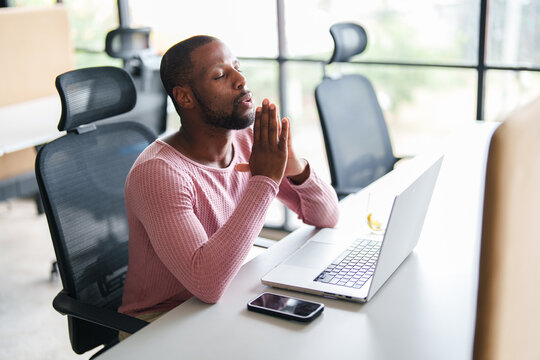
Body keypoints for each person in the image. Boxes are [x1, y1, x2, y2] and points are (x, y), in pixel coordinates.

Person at [118, 35, 339, 334]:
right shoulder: (158, 173)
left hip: (226, 299)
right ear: (185, 98)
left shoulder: (248, 140)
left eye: (237, 67)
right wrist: (264, 181)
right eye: (221, 75)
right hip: (160, 324)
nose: (240, 80)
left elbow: (327, 217)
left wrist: (293, 166)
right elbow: (206, 284)